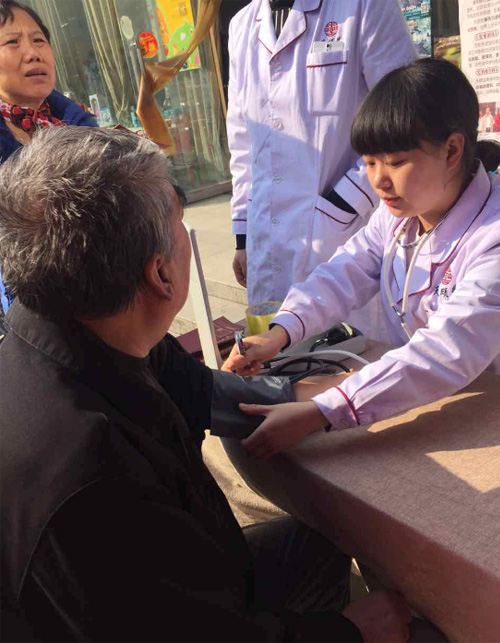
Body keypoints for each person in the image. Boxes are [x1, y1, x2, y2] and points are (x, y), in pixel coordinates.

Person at [0, 126, 412, 642]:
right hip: (171, 609)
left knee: (325, 540)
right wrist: (348, 634)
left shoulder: (88, 324)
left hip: (196, 570)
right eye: (180, 223)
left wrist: (335, 393)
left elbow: (205, 391)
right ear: (161, 276)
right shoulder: (90, 477)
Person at [224, 58, 500, 459]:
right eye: (370, 163)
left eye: (395, 162)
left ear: (452, 149)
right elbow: (344, 272)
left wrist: (321, 412)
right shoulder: (398, 217)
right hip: (428, 396)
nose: (378, 181)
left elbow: (446, 352)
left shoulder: (492, 239)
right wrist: (279, 332)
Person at [227, 0, 416, 341]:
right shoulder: (241, 25)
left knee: (349, 355)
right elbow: (242, 137)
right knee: (277, 355)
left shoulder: (364, 6)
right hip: (265, 237)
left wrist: (339, 206)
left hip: (345, 233)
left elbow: (402, 117)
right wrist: (243, 234)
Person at [0, 0, 97, 316]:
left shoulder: (84, 130)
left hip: (106, 296)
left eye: (39, 39)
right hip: (32, 313)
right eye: (12, 42)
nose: (33, 53)